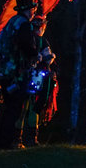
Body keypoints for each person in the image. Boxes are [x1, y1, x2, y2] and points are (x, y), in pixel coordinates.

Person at [0, 0, 40, 150]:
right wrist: (35, 54)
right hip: (16, 72)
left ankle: (1, 141)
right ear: (29, 10)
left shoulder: (11, 22)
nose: (34, 13)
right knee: (14, 107)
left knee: (9, 106)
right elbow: (25, 44)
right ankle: (6, 142)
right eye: (33, 10)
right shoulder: (24, 24)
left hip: (5, 70)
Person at [15, 14, 58, 147]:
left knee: (30, 106)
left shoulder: (35, 40)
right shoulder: (35, 40)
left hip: (33, 77)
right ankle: (22, 138)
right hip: (29, 77)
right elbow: (47, 58)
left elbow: (48, 58)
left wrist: (51, 58)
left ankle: (26, 138)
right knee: (28, 106)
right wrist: (50, 57)